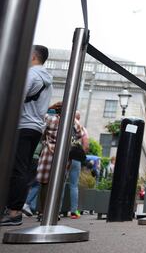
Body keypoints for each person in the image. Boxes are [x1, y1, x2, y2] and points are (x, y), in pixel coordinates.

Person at [1, 45, 53, 227]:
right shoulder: (47, 79)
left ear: (32, 56)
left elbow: (15, 98)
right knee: (20, 168)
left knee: (17, 169)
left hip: (22, 126)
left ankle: (14, 212)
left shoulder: (31, 75)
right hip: (35, 128)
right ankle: (12, 209)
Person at [64, 112, 89, 218]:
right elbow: (86, 143)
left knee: (60, 182)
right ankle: (74, 211)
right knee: (74, 185)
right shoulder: (81, 127)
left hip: (65, 155)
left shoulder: (65, 121)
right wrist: (81, 153)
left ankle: (56, 210)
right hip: (76, 157)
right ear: (79, 117)